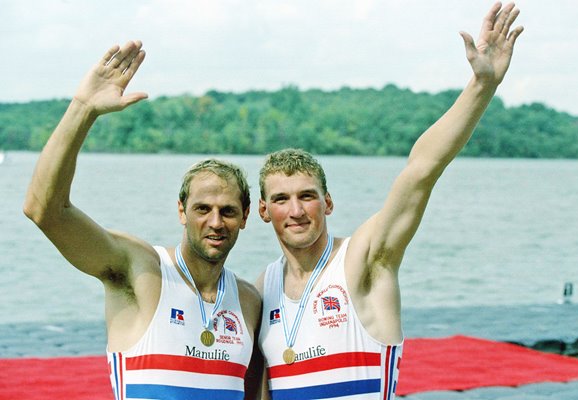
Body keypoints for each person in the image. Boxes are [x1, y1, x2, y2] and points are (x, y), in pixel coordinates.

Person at [255, 2, 524, 399]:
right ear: (263, 211)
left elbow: (420, 172)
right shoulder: (266, 285)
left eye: (307, 196)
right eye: (282, 199)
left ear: (328, 203)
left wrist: (482, 86)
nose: (295, 211)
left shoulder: (365, 258)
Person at [23, 41, 262, 400]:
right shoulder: (140, 269)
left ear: (245, 216)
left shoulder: (248, 301)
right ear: (181, 211)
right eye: (202, 209)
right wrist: (83, 110)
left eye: (227, 211)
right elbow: (46, 210)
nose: (215, 222)